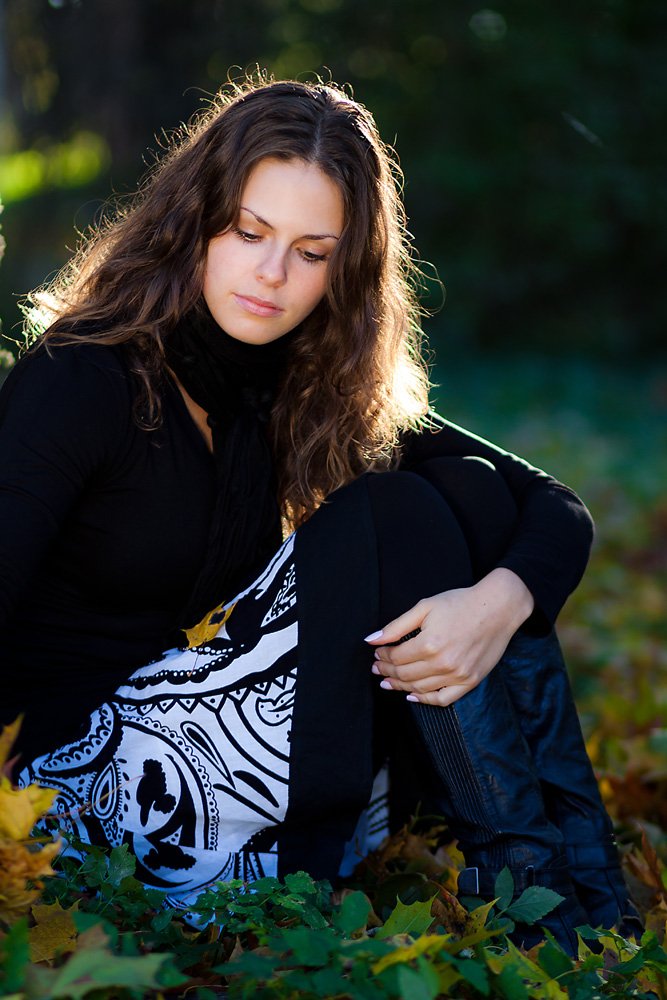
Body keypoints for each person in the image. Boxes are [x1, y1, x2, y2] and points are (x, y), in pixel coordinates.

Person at [1, 78, 639, 952]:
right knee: (396, 511)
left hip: (240, 769)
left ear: (346, 270)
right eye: (248, 233)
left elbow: (549, 506)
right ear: (192, 221)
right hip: (79, 800)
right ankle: (537, 900)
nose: (272, 274)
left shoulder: (300, 387)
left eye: (311, 252)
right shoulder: (81, 376)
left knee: (470, 492)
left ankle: (569, 884)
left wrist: (492, 606)